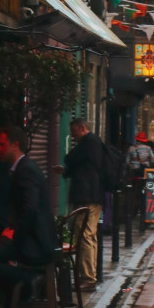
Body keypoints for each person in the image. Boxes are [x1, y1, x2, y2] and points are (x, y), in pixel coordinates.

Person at [0, 127, 57, 308]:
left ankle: (26, 280)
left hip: (33, 242)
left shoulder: (25, 170)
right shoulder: (21, 168)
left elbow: (31, 208)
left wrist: (15, 235)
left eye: (2, 144)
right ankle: (10, 305)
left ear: (15, 145)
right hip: (29, 237)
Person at [53, 118, 103, 291]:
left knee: (85, 236)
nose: (73, 136)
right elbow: (84, 166)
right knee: (89, 235)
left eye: (74, 131)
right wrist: (66, 172)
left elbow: (70, 158)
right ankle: (89, 276)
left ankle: (88, 278)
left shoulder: (88, 142)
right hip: (92, 196)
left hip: (88, 197)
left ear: (82, 128)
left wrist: (67, 166)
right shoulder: (93, 143)